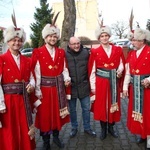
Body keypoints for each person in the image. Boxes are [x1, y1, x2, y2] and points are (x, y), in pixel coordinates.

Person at [31, 14, 71, 150]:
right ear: (45, 37)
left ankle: (56, 137)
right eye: (50, 36)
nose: (52, 38)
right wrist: (37, 91)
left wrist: (66, 79)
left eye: (54, 36)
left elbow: (64, 68)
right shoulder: (38, 52)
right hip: (45, 90)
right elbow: (36, 73)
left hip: (58, 89)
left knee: (58, 114)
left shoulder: (61, 52)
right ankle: (46, 141)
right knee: (45, 117)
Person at [0, 22, 36, 149]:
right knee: (10, 130)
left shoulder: (27, 60)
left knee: (25, 126)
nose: (17, 43)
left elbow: (32, 78)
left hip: (23, 100)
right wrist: (1, 104)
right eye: (13, 40)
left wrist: (31, 85)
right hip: (8, 102)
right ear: (8, 41)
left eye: (19, 40)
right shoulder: (1, 59)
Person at [88, 24, 125, 140]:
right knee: (101, 106)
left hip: (113, 82)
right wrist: (93, 87)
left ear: (109, 36)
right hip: (101, 83)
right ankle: (103, 129)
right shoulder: (95, 51)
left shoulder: (117, 49)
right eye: (102, 36)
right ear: (99, 38)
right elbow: (92, 70)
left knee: (113, 105)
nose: (104, 38)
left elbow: (121, 64)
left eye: (106, 35)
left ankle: (111, 128)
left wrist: (119, 71)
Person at [123, 27, 150, 146]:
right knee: (138, 113)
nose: (132, 43)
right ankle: (142, 134)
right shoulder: (132, 54)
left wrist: (149, 79)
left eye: (134, 40)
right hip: (135, 89)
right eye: (132, 40)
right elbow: (128, 71)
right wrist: (124, 87)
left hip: (147, 89)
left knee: (148, 113)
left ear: (142, 40)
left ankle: (149, 137)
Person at [65, 36, 96, 138]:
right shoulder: (65, 55)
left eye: (78, 43)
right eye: (74, 44)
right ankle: (74, 128)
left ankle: (87, 128)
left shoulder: (86, 53)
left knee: (86, 109)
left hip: (84, 86)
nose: (76, 45)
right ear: (69, 45)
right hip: (72, 88)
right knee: (72, 110)